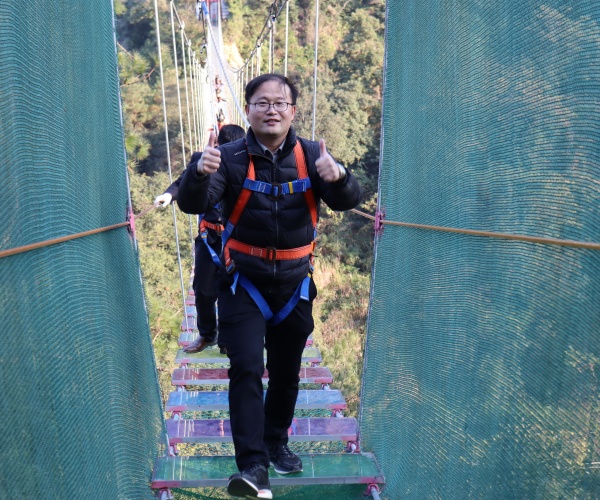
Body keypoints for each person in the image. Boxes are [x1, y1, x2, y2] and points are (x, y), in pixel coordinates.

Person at [177, 73, 362, 500]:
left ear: (293, 111)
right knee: (244, 367)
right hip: (244, 283)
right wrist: (199, 174)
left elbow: (348, 200)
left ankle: (276, 440)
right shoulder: (227, 157)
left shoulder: (313, 154)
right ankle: (254, 466)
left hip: (295, 283)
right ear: (249, 110)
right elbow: (194, 204)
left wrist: (339, 177)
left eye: (280, 103)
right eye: (262, 103)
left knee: (285, 372)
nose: (272, 109)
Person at [154, 124, 246, 355]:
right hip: (210, 235)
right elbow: (183, 182)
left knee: (233, 289)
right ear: (218, 146)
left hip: (236, 237)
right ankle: (207, 334)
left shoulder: (247, 163)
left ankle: (227, 339)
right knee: (203, 288)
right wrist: (169, 195)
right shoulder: (205, 160)